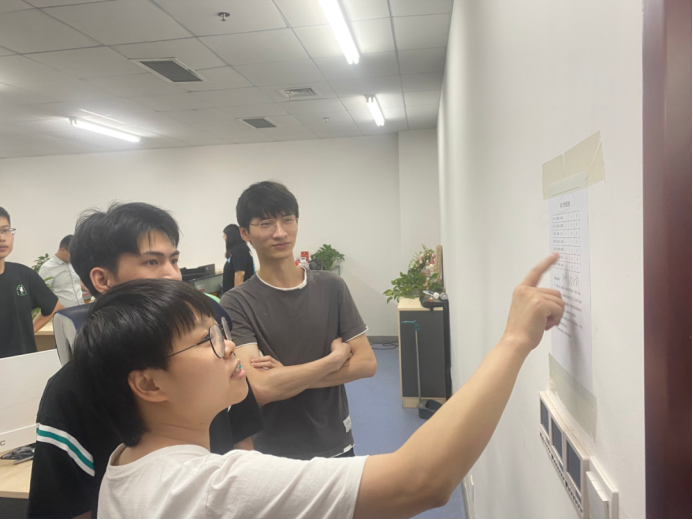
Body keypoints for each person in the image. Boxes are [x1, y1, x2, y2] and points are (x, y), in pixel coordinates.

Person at [76, 254, 565, 519]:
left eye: (222, 334)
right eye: (208, 341)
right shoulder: (216, 486)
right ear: (147, 383)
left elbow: (365, 364)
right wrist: (514, 341)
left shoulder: (123, 466)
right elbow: (422, 480)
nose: (229, 350)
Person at [27, 202, 264, 520]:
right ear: (102, 280)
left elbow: (243, 446)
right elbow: (68, 505)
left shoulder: (214, 356)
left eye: (174, 260)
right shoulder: (71, 388)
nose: (173, 275)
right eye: (152, 262)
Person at [221, 181, 377, 460]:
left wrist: (285, 376)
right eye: (266, 223)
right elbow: (260, 388)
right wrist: (333, 360)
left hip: (336, 441)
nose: (280, 232)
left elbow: (366, 363)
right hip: (274, 450)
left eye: (288, 220)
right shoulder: (236, 302)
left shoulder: (331, 286)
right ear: (244, 233)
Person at [0, 206, 63, 359]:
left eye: (5, 230)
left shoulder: (24, 275)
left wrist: (28, 331)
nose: (2, 237)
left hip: (24, 363)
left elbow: (54, 307)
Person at [39, 235, 86, 308]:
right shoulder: (48, 268)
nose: (74, 257)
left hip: (80, 307)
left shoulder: (73, 264)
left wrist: (93, 290)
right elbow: (42, 293)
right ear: (62, 249)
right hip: (63, 311)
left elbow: (77, 283)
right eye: (72, 254)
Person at [222, 224, 254, 294]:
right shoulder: (237, 250)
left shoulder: (239, 250)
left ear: (230, 236)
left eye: (224, 236)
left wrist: (237, 296)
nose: (224, 239)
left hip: (237, 296)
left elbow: (240, 275)